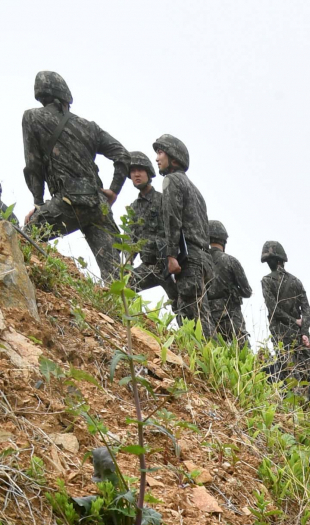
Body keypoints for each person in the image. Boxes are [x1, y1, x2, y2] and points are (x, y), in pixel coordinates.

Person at [21, 71, 128, 281]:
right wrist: (114, 190)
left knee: (26, 237)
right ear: (65, 97)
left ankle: (43, 286)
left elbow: (33, 166)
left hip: (68, 203)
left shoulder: (32, 117)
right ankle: (122, 313)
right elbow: (122, 155)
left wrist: (38, 203)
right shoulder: (89, 127)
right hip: (98, 206)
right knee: (117, 279)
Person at [152, 135, 212, 333]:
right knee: (203, 319)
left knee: (189, 320)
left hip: (189, 260)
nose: (157, 158)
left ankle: (199, 362)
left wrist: (171, 256)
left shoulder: (172, 180)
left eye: (160, 153)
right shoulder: (196, 191)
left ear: (174, 158)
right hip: (203, 260)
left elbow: (172, 219)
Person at [121, 151, 174, 304]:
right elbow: (130, 238)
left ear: (148, 173)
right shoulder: (134, 208)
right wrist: (129, 262)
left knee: (183, 305)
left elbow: (176, 229)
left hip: (168, 265)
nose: (136, 174)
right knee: (125, 289)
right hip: (148, 266)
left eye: (140, 170)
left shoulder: (163, 200)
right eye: (133, 171)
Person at [260, 240, 310, 374]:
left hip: (280, 334)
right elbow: (306, 309)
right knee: (303, 370)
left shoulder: (266, 281)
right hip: (298, 334)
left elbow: (273, 309)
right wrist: (304, 331)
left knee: (286, 370)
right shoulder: (296, 281)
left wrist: (294, 322)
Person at [206, 221, 252, 345]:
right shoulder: (230, 261)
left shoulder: (199, 260)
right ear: (223, 240)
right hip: (230, 316)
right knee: (242, 350)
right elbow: (247, 291)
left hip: (207, 316)